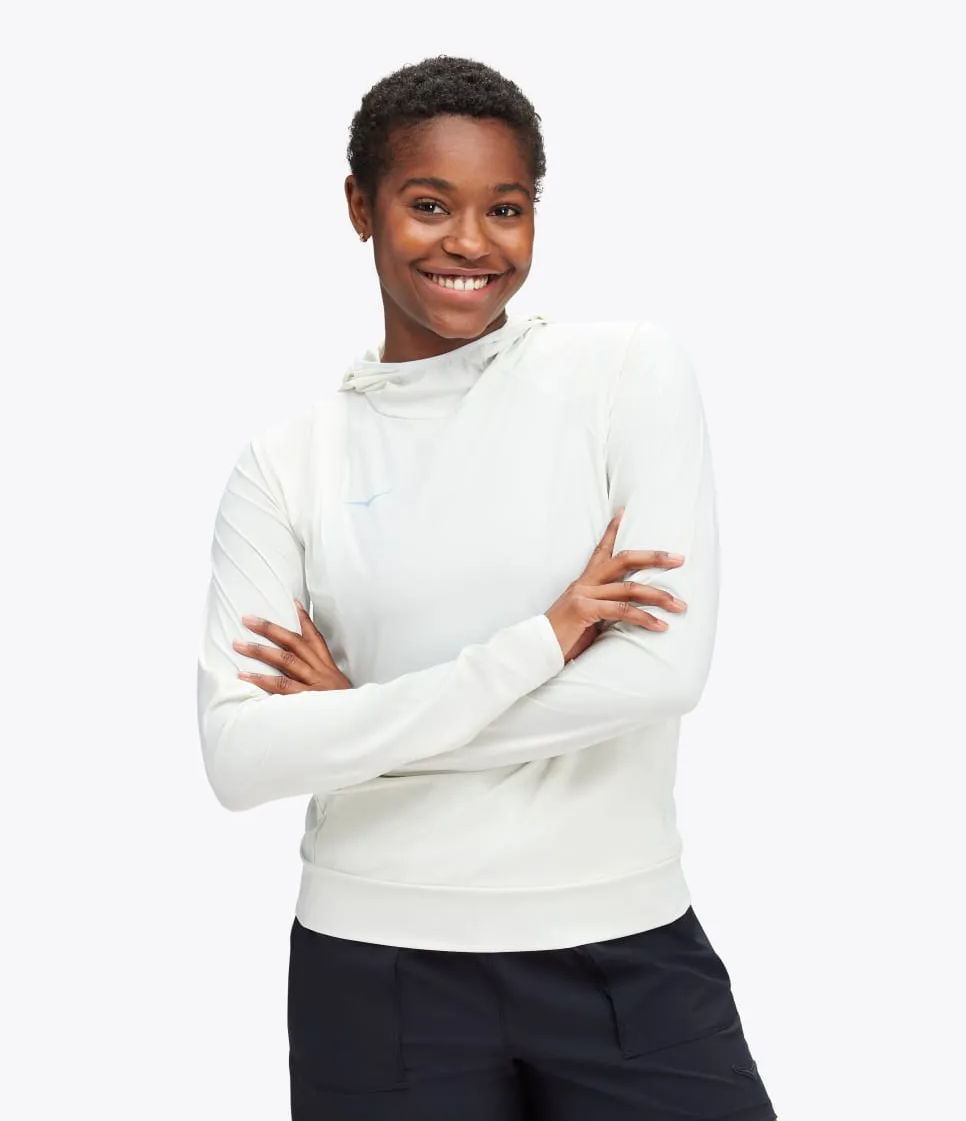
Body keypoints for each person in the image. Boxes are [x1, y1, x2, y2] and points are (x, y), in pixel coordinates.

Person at [196, 54, 778, 1120]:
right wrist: (541, 642)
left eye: (505, 209)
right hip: (375, 970)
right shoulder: (287, 465)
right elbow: (240, 757)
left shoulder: (624, 375)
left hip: (626, 952)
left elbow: (660, 676)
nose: (471, 242)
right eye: (430, 205)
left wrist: (358, 725)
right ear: (360, 207)